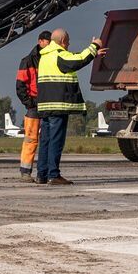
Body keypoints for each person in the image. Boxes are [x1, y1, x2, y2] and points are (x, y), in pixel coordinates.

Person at [33, 27, 102, 185]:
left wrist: (93, 54)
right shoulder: (58, 55)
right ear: (63, 41)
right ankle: (54, 175)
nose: (69, 45)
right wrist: (95, 46)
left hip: (45, 106)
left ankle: (41, 174)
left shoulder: (45, 56)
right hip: (58, 106)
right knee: (56, 141)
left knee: (45, 141)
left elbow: (72, 57)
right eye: (68, 42)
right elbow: (76, 61)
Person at [14, 30, 50, 180]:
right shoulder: (27, 61)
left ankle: (45, 172)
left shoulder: (51, 58)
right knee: (31, 138)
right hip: (35, 105)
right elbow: (20, 85)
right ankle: (25, 171)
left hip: (48, 103)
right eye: (48, 42)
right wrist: (30, 103)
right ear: (40, 41)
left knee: (48, 139)